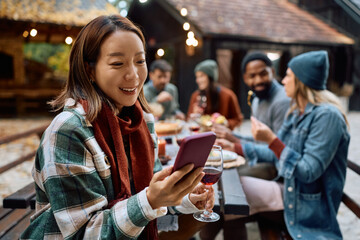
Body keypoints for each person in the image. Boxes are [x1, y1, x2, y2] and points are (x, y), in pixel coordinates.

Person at [20, 15, 214, 240]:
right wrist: (151, 199)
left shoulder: (142, 121)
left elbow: (152, 199)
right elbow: (83, 234)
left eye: (140, 61)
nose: (133, 74)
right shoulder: (69, 131)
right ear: (89, 70)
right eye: (117, 63)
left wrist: (185, 197)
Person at [215, 50, 350, 239]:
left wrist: (272, 140)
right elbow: (278, 152)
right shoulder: (297, 111)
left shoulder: (328, 117)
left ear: (302, 81)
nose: (283, 80)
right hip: (287, 186)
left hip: (304, 202)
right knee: (228, 197)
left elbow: (308, 172)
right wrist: (235, 145)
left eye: (288, 75)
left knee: (230, 193)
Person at [212, 51, 290, 143]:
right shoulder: (256, 100)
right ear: (245, 78)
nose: (258, 80)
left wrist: (236, 142)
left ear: (272, 72)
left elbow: (279, 149)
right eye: (252, 76)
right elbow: (258, 141)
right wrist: (229, 135)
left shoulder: (282, 100)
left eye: (263, 74)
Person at [187, 59, 244, 130]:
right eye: (197, 77)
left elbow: (238, 119)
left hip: (221, 136)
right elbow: (188, 120)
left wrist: (226, 123)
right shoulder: (195, 96)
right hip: (202, 135)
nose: (198, 80)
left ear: (211, 77)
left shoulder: (228, 95)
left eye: (201, 76)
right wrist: (195, 114)